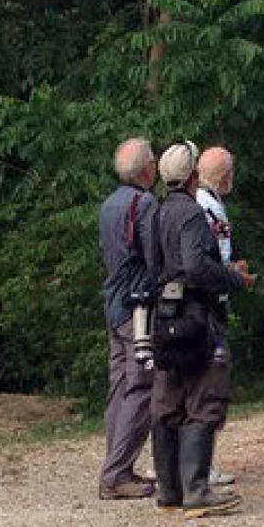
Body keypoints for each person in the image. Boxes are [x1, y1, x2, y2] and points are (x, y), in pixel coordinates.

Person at [149, 141, 255, 518]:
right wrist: (231, 278)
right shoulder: (192, 214)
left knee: (167, 401)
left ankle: (169, 491)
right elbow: (195, 267)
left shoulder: (157, 212)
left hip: (164, 313)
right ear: (193, 175)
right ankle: (196, 490)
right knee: (204, 398)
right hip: (196, 314)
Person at [97, 138, 160, 501]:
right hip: (138, 307)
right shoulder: (145, 203)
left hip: (113, 303)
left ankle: (115, 464)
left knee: (119, 386)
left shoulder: (109, 204)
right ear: (147, 169)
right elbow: (154, 254)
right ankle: (117, 472)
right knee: (142, 386)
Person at [194, 145, 240, 489]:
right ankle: (202, 464)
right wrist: (233, 276)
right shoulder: (208, 208)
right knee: (210, 384)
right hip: (211, 303)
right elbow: (215, 258)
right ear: (224, 176)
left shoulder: (206, 202)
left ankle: (200, 461)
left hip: (209, 299)